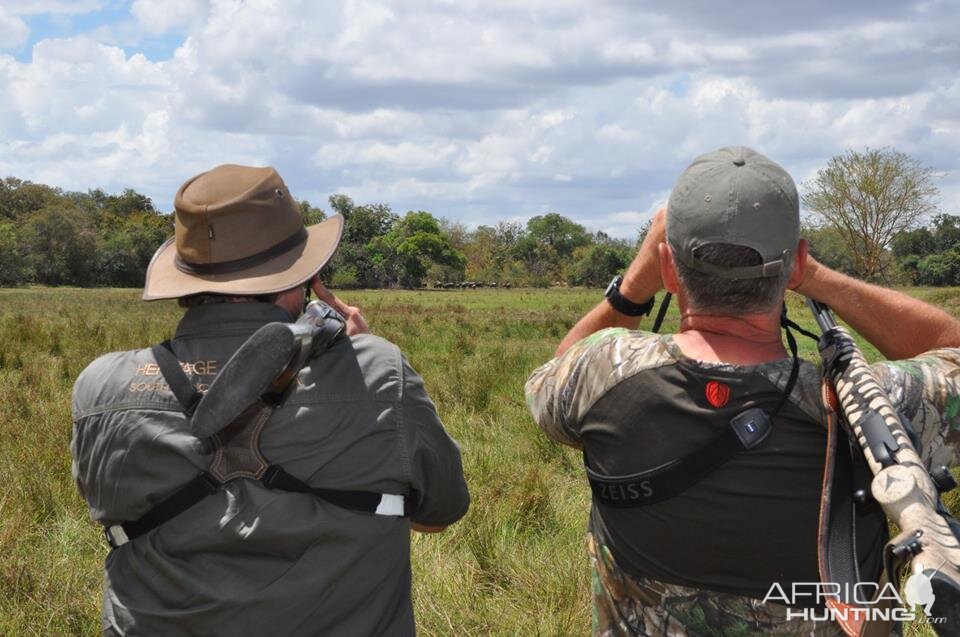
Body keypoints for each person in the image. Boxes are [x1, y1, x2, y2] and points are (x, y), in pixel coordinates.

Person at [525, 146, 960, 636]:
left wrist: (633, 288)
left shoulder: (602, 371)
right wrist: (817, 278)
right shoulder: (868, 402)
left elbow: (553, 375)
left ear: (669, 267)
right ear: (793, 262)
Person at [71, 164, 470, 636]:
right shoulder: (380, 371)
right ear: (301, 278)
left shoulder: (100, 387)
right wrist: (362, 361)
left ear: (187, 284)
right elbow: (438, 514)